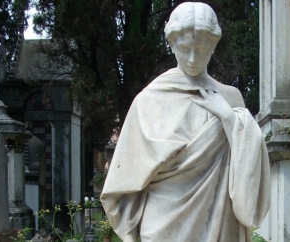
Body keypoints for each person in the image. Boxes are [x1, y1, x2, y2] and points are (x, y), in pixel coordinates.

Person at [100, 2, 270, 242]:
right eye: (185, 48)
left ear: (213, 46)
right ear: (171, 44)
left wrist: (230, 118)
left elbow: (249, 168)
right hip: (162, 226)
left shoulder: (230, 98)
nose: (192, 58)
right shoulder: (148, 100)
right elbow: (126, 180)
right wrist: (129, 234)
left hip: (218, 221)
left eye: (201, 49)